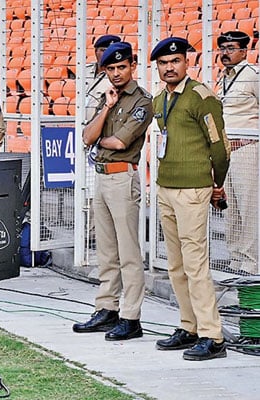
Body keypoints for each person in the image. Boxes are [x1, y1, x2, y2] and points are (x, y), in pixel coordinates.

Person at [150, 37, 230, 361]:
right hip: (166, 188)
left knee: (195, 264)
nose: (169, 67)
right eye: (163, 63)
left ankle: (213, 336)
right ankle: (189, 326)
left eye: (175, 61)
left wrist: (217, 184)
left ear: (186, 63)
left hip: (193, 190)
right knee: (176, 265)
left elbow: (220, 148)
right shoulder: (159, 99)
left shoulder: (201, 97)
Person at [74, 42, 153, 341]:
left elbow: (120, 142)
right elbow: (86, 136)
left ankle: (131, 317)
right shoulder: (108, 98)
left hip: (123, 177)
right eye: (111, 68)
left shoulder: (142, 101)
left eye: (122, 67)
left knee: (128, 252)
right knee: (106, 251)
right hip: (102, 177)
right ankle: (107, 308)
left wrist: (98, 139)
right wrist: (107, 107)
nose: (117, 73)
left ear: (132, 65)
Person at [215, 31, 259, 275]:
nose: (225, 53)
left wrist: (251, 137)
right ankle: (235, 257)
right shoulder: (223, 77)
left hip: (246, 149)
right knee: (230, 205)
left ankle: (252, 262)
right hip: (226, 151)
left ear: (244, 51)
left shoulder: (252, 76)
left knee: (248, 206)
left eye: (231, 48)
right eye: (222, 48)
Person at [85, 35, 121, 121]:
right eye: (103, 50)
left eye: (110, 51)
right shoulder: (84, 70)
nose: (106, 54)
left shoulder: (118, 76)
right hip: (80, 121)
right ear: (95, 51)